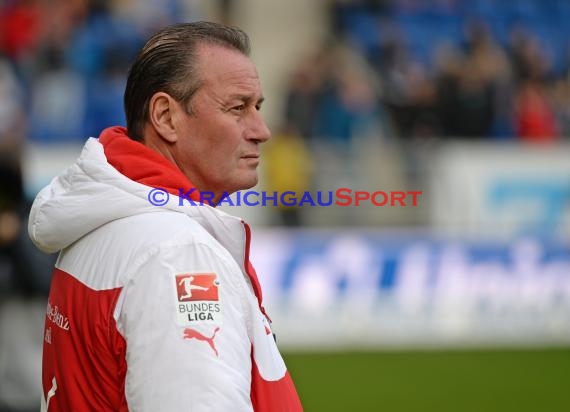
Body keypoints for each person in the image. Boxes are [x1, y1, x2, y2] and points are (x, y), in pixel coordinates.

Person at [28, 21, 303, 411]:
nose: (262, 130)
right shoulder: (178, 254)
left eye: (257, 107)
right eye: (237, 107)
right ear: (165, 116)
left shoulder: (105, 218)